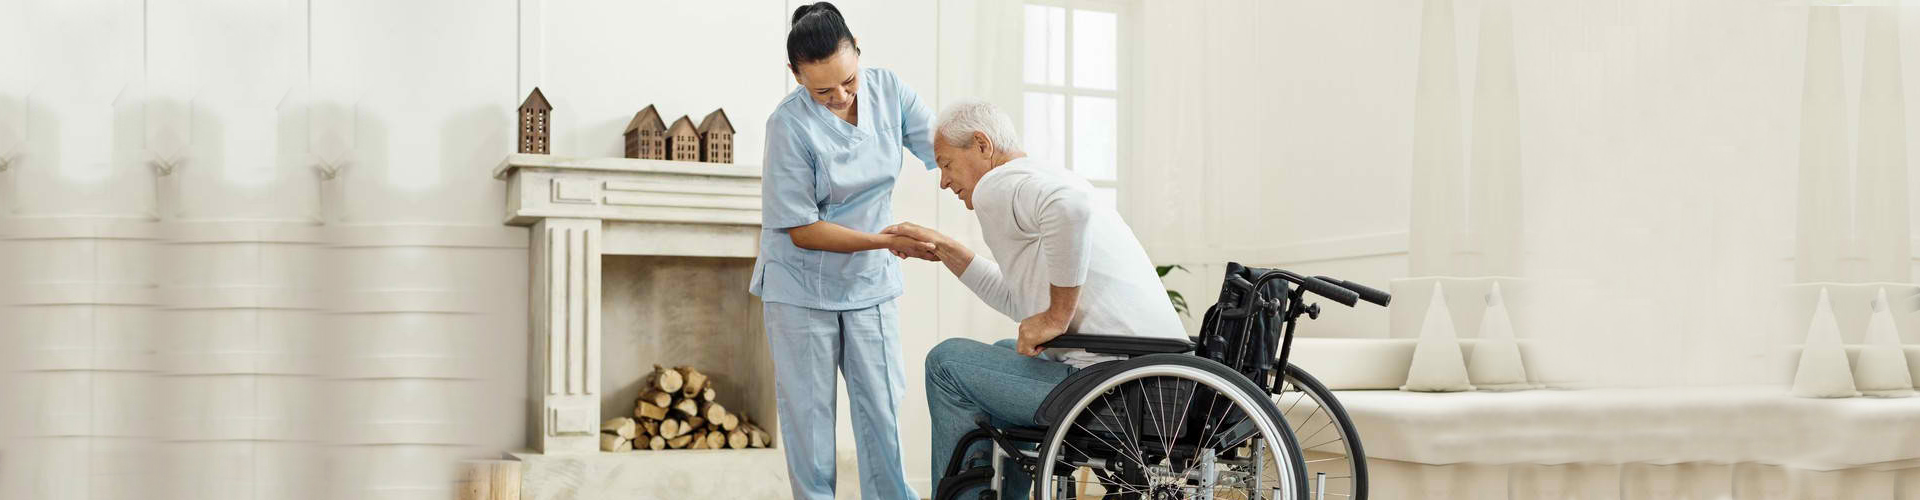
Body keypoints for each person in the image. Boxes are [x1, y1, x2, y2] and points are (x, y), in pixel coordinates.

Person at [881, 99, 1186, 499]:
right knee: (1002, 352)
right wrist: (944, 248)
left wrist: (1057, 316)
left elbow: (1069, 211)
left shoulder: (999, 184)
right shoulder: (1043, 176)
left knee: (945, 363)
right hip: (1154, 386)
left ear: (981, 145)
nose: (943, 181)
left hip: (1110, 390)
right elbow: (1017, 299)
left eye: (946, 164)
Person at [747, 2, 938, 499]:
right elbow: (803, 229)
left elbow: (944, 149)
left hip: (869, 282)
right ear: (795, 76)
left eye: (849, 81)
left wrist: (999, 172)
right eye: (822, 90)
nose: (840, 96)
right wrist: (885, 241)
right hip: (800, 285)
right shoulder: (787, 125)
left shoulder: (890, 90)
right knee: (810, 423)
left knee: (883, 411)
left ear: (859, 54)